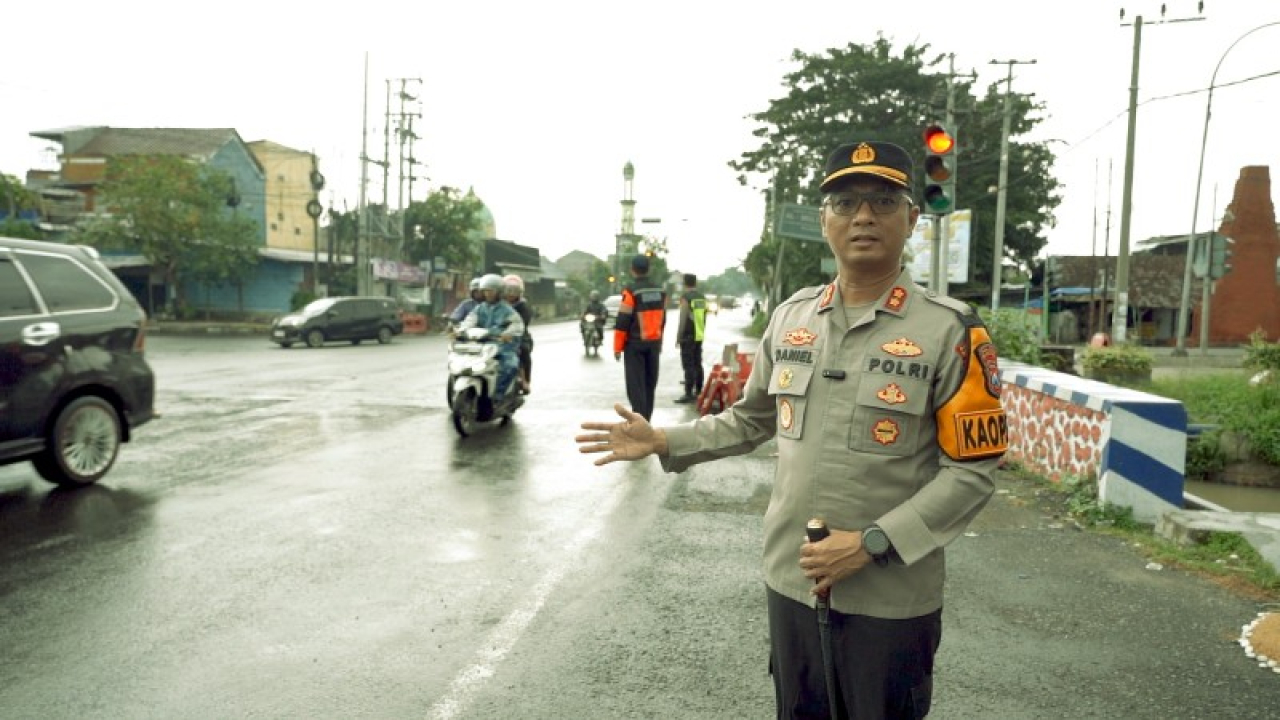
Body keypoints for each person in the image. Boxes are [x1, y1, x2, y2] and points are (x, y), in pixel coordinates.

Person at [576, 139, 1008, 719]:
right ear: (825, 219)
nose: (862, 216)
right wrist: (665, 439)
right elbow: (751, 418)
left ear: (911, 219)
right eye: (845, 202)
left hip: (890, 597)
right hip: (792, 584)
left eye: (882, 201)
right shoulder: (791, 317)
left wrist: (870, 544)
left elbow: (972, 472)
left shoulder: (950, 331)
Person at [613, 254, 668, 421]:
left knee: (636, 387)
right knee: (650, 384)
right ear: (649, 269)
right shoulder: (661, 291)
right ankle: (647, 419)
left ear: (632, 270)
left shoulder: (631, 291)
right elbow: (663, 319)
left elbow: (623, 321)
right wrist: (660, 341)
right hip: (653, 345)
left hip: (634, 346)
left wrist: (617, 347)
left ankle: (639, 422)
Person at [457, 273, 523, 399]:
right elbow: (470, 320)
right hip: (481, 344)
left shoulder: (507, 310)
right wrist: (461, 330)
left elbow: (517, 325)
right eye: (485, 291)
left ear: (499, 292)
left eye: (491, 291)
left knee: (510, 366)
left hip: (502, 345)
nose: (488, 294)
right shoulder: (480, 308)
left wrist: (507, 334)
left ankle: (499, 395)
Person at [674, 273, 707, 404]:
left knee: (688, 364)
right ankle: (699, 390)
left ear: (684, 284)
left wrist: (678, 337)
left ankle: (688, 393)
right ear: (695, 283)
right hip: (699, 334)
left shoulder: (685, 298)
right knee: (697, 362)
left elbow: (683, 319)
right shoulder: (701, 297)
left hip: (687, 334)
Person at [503, 274, 534, 394]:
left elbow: (523, 323)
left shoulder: (523, 306)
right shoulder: (497, 305)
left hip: (519, 337)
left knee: (523, 351)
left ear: (520, 292)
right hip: (497, 336)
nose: (511, 294)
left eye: (514, 291)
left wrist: (511, 331)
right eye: (508, 290)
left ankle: (525, 380)